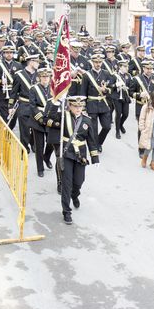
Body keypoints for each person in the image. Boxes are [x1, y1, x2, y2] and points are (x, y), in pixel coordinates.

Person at [57, 96, 100, 225]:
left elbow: (92, 140)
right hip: (67, 152)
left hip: (80, 155)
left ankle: (75, 195)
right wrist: (56, 101)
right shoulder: (64, 117)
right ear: (70, 106)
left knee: (79, 181)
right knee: (67, 183)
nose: (78, 109)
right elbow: (51, 116)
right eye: (75, 106)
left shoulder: (87, 120)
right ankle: (66, 211)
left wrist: (95, 158)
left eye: (80, 106)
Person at [80, 52, 115, 152]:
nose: (98, 64)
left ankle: (99, 142)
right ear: (92, 62)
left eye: (100, 62)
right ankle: (95, 145)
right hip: (92, 104)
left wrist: (106, 90)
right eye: (96, 62)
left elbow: (111, 89)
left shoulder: (106, 73)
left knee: (107, 126)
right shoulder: (87, 75)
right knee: (93, 128)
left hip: (103, 104)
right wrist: (83, 108)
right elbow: (83, 92)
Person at [9, 55, 40, 152]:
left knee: (36, 127)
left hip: (36, 106)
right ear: (30, 62)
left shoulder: (39, 75)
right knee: (24, 129)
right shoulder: (19, 75)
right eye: (36, 62)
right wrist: (11, 106)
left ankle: (33, 143)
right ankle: (24, 147)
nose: (38, 64)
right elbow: (13, 92)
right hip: (24, 104)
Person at [29, 68, 55, 177]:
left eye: (47, 77)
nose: (45, 79)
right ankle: (40, 168)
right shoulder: (33, 89)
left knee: (52, 143)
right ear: (39, 78)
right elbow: (32, 106)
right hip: (38, 120)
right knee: (39, 146)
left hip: (50, 119)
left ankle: (47, 157)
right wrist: (40, 118)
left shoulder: (54, 88)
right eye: (43, 77)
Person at [0, 45, 22, 128]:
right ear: (3, 54)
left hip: (14, 93)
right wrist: (0, 81)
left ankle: (9, 128)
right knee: (5, 114)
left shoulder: (18, 65)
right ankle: (6, 131)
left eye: (11, 53)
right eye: (7, 53)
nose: (9, 54)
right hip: (3, 93)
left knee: (14, 115)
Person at [138, 90, 154, 171]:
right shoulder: (146, 107)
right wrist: (142, 129)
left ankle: (153, 162)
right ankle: (144, 159)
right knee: (149, 146)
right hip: (149, 130)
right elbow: (141, 119)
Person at [111, 55, 132, 139]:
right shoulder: (114, 75)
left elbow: (131, 86)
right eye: (125, 66)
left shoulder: (128, 76)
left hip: (125, 97)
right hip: (117, 97)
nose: (127, 68)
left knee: (126, 114)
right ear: (120, 67)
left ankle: (120, 125)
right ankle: (117, 131)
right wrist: (116, 85)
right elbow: (110, 86)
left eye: (127, 66)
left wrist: (128, 88)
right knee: (118, 113)